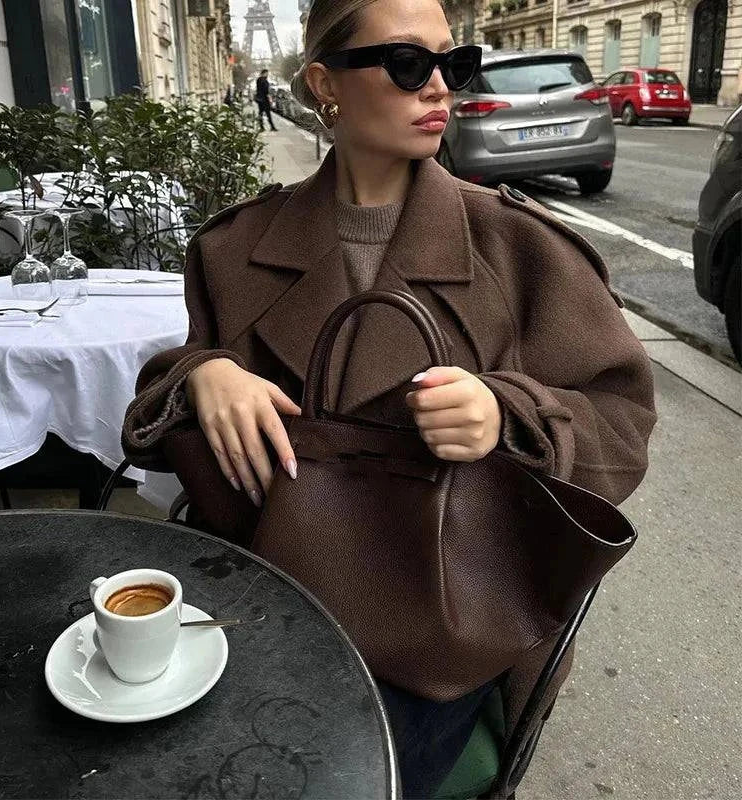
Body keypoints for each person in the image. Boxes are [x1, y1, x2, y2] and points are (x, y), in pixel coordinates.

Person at [123, 0, 656, 795]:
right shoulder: (234, 250)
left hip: (449, 630)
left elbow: (621, 418)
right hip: (263, 599)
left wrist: (506, 412)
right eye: (409, 65)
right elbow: (161, 413)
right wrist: (204, 373)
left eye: (455, 63)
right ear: (323, 84)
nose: (440, 87)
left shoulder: (523, 249)